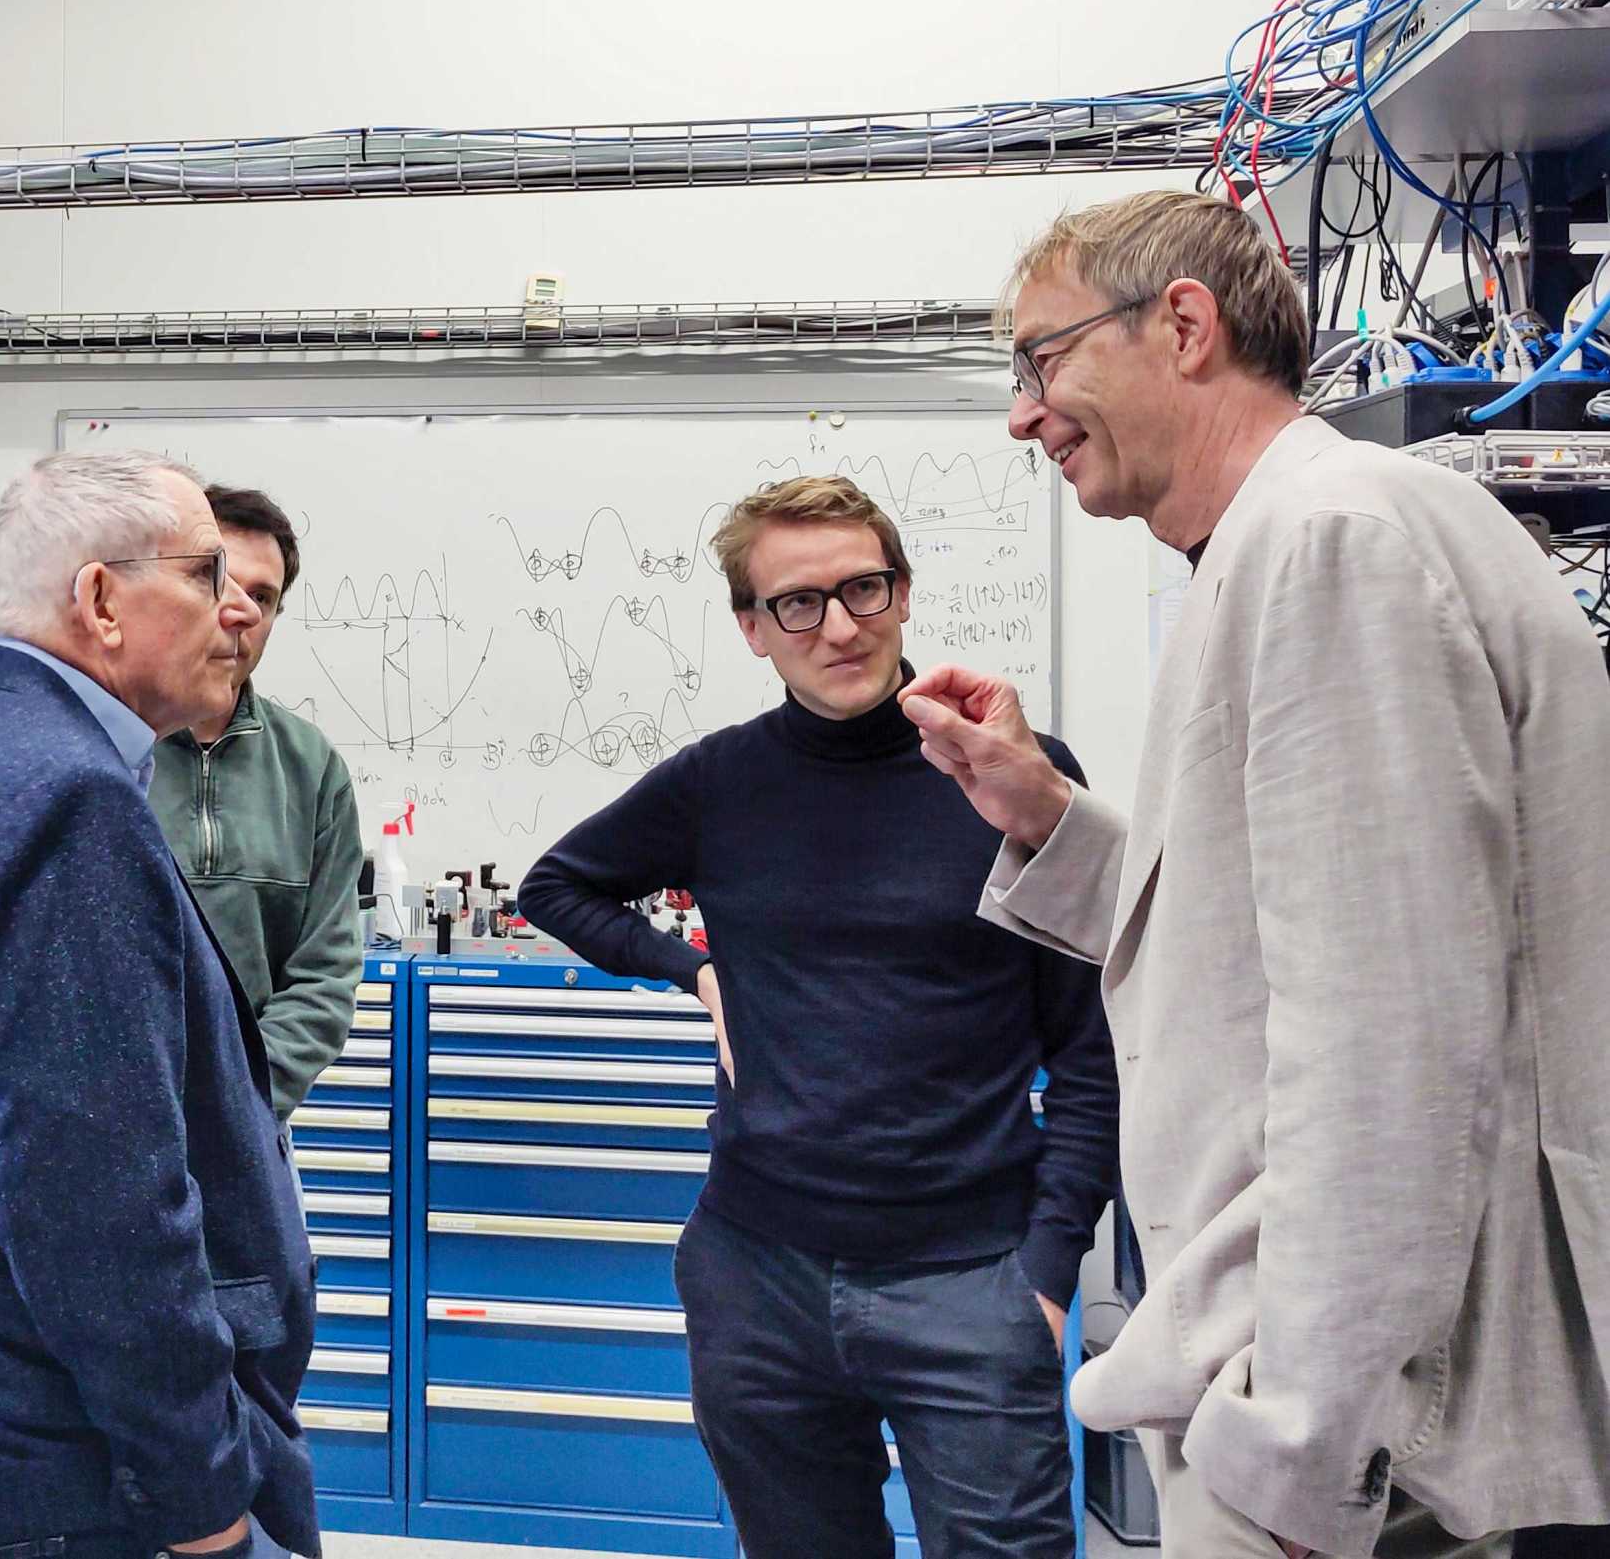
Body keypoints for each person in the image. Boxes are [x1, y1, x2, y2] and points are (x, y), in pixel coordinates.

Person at [902, 189, 1610, 1559]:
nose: (1023, 414)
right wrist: (1049, 815)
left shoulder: (1332, 541)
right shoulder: (1281, 545)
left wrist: (1306, 1449)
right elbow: (1263, 944)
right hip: (1336, 1406)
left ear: (1182, 324)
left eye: (1043, 361)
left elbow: (1390, 1045)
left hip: (1359, 1441)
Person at [519, 475, 1117, 1559]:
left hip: (970, 1280)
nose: (838, 626)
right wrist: (689, 968)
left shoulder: (1010, 775)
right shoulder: (719, 782)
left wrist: (1045, 1272)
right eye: (797, 602)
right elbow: (557, 885)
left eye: (863, 588)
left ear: (900, 593)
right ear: (752, 629)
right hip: (757, 1279)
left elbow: (1090, 1045)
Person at [0, 450, 319, 1559]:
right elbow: (98, 1213)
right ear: (102, 601)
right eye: (205, 576)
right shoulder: (65, 800)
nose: (237, 609)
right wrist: (202, 1505)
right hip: (80, 1483)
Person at [148, 484, 363, 1121]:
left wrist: (238, 1108)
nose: (238, 613)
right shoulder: (108, 753)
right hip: (120, 1131)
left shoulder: (312, 767)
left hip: (252, 1126)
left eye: (263, 597)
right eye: (217, 583)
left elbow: (324, 977)